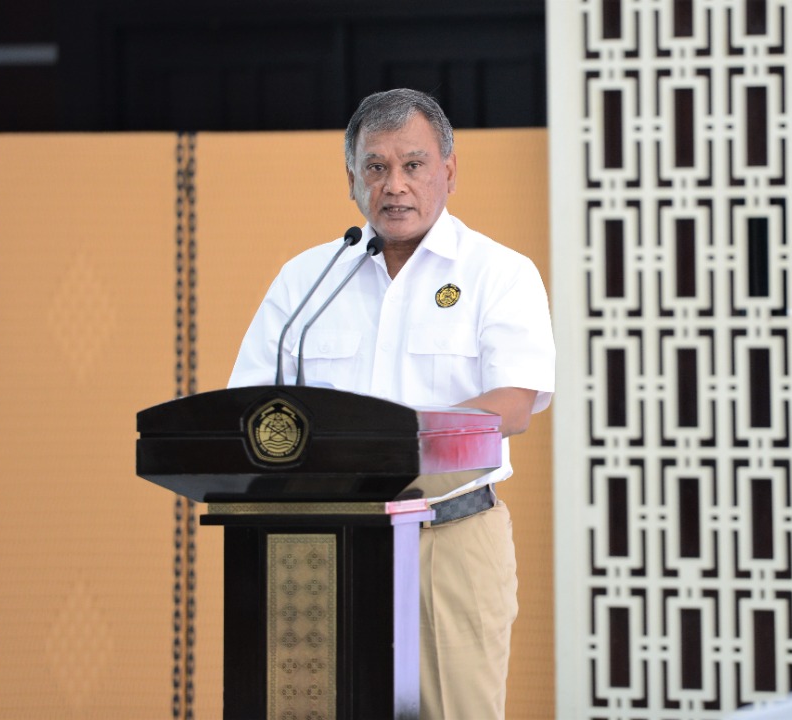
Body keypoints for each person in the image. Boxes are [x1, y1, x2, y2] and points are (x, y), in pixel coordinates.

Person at [228, 88, 556, 720]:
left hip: (449, 537)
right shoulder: (309, 281)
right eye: (375, 167)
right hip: (324, 542)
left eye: (413, 164)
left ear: (449, 171)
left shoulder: (498, 273)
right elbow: (253, 406)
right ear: (352, 179)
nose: (394, 185)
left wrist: (394, 443)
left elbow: (514, 403)